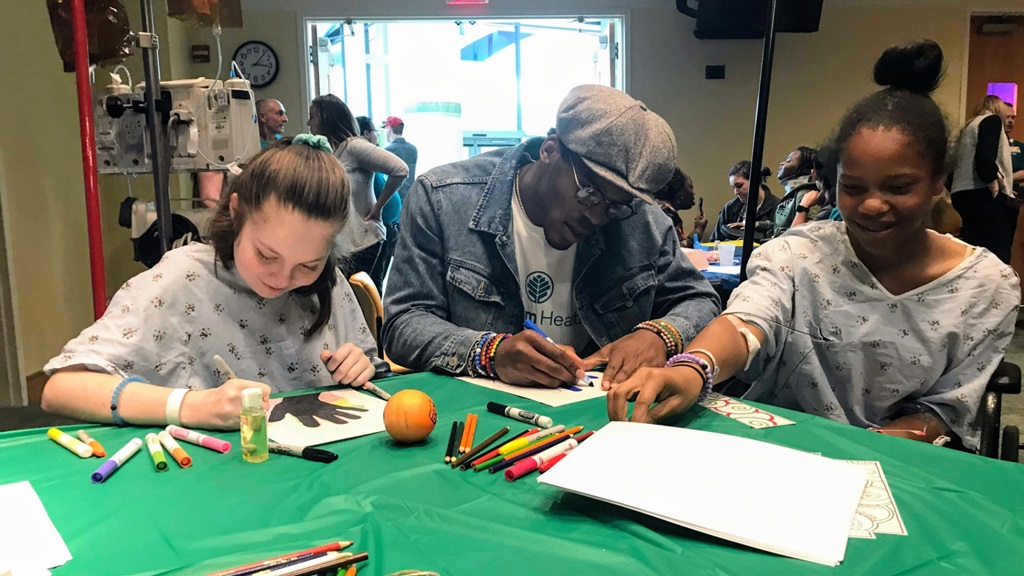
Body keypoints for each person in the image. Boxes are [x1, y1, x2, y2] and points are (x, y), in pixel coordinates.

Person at [606, 40, 1019, 452]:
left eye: (899, 187)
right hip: (766, 449)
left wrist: (852, 453)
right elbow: (746, 321)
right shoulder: (798, 253)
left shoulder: (986, 287)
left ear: (938, 181)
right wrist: (693, 368)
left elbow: (945, 411)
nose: (873, 205)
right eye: (853, 188)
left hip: (892, 465)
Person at [382, 85, 721, 388]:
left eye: (616, 206)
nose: (597, 216)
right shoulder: (443, 198)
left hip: (601, 419)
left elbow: (700, 300)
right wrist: (490, 353)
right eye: (588, 191)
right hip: (481, 422)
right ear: (549, 150)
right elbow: (404, 322)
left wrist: (660, 335)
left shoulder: (643, 222)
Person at [41, 136, 387, 430]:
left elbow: (368, 371)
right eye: (266, 256)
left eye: (307, 264)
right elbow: (62, 389)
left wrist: (357, 367)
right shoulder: (183, 279)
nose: (282, 279)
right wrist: (191, 406)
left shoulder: (328, 281)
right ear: (236, 211)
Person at [308, 95, 408, 282]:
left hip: (364, 241)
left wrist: (378, 207)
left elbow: (400, 169)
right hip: (348, 243)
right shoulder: (334, 151)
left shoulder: (354, 147)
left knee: (361, 303)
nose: (308, 122)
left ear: (325, 117)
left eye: (312, 116)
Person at [950, 95, 1015, 262]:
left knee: (974, 252)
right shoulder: (991, 120)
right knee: (996, 255)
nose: (1008, 119)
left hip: (962, 193)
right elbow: (985, 158)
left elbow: (951, 165)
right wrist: (992, 179)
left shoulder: (968, 127)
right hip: (984, 195)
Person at [356, 115, 402, 292]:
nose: (377, 134)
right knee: (374, 279)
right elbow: (401, 170)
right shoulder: (363, 155)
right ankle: (374, 318)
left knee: (380, 276)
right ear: (366, 133)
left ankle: (377, 316)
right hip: (377, 226)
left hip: (389, 225)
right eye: (375, 131)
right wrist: (378, 207)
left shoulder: (373, 155)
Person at [709, 161, 779, 242]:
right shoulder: (730, 207)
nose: (736, 192)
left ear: (755, 181)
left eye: (739, 186)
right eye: (733, 187)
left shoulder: (778, 208)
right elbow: (714, 242)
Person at [771, 146, 819, 237]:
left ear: (804, 168)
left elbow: (808, 230)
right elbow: (781, 226)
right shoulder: (793, 191)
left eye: (789, 161)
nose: (782, 163)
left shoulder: (805, 193)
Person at [653, 168, 705, 248]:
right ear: (677, 189)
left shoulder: (659, 208)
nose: (693, 193)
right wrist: (699, 230)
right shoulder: (666, 213)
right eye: (690, 187)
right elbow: (678, 250)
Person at [383, 116, 419, 204]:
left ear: (389, 129)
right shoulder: (413, 149)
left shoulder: (387, 151)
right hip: (411, 196)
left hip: (394, 198)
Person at [1004, 101, 1024, 196]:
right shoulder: (988, 145)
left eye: (1013, 117)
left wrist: (1004, 181)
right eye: (1006, 117)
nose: (1010, 120)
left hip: (1016, 194)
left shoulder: (1019, 146)